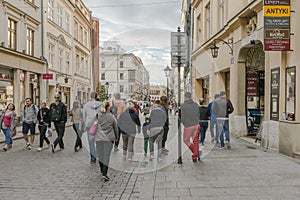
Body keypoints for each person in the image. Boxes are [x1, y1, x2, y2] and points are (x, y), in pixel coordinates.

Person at [95, 101, 118, 182]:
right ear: (108, 107)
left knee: (100, 155)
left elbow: (93, 126)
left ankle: (102, 170)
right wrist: (116, 137)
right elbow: (115, 127)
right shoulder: (111, 117)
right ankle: (104, 174)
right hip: (109, 139)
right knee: (106, 156)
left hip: (99, 138)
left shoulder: (98, 116)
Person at [181, 92, 201, 163]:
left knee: (186, 140)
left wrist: (184, 123)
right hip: (196, 124)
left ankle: (196, 152)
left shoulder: (183, 105)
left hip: (188, 125)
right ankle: (195, 155)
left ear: (185, 97)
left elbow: (182, 117)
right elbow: (198, 114)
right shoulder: (196, 105)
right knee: (195, 140)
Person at [83, 92, 101, 163]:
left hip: (90, 125)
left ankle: (93, 158)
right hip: (98, 124)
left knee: (91, 142)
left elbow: (84, 116)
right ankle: (98, 154)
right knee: (99, 141)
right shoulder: (101, 104)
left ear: (90, 96)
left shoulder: (86, 105)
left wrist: (85, 123)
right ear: (96, 96)